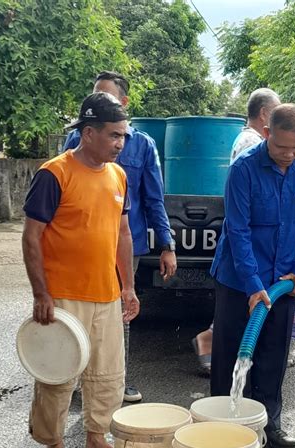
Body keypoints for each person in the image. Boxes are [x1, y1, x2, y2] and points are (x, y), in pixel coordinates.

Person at [22, 92, 140, 448]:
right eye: (113, 135)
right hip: (63, 297)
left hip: (106, 293)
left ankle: (95, 437)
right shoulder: (54, 174)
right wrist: (42, 294)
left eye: (123, 135)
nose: (120, 143)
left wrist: (129, 287)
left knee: (107, 374)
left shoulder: (118, 175)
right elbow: (31, 236)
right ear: (88, 134)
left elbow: (123, 233)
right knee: (58, 375)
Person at [210, 104, 295, 448]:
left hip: (285, 279)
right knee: (232, 354)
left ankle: (269, 425)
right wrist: (253, 285)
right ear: (266, 134)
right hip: (238, 280)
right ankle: (224, 428)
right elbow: (238, 229)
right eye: (282, 147)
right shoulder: (244, 168)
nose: (290, 154)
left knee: (274, 355)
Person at [64, 71, 176, 403]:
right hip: (81, 246)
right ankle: (74, 375)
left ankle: (116, 380)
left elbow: (155, 199)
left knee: (119, 313)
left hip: (126, 244)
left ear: (125, 103)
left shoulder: (142, 145)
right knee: (78, 311)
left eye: (109, 99)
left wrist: (167, 245)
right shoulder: (75, 142)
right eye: (95, 97)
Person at [192, 88, 281, 375]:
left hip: (258, 244)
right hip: (251, 242)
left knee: (247, 306)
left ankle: (215, 341)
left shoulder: (253, 139)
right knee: (241, 303)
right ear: (265, 114)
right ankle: (209, 340)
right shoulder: (251, 143)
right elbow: (246, 205)